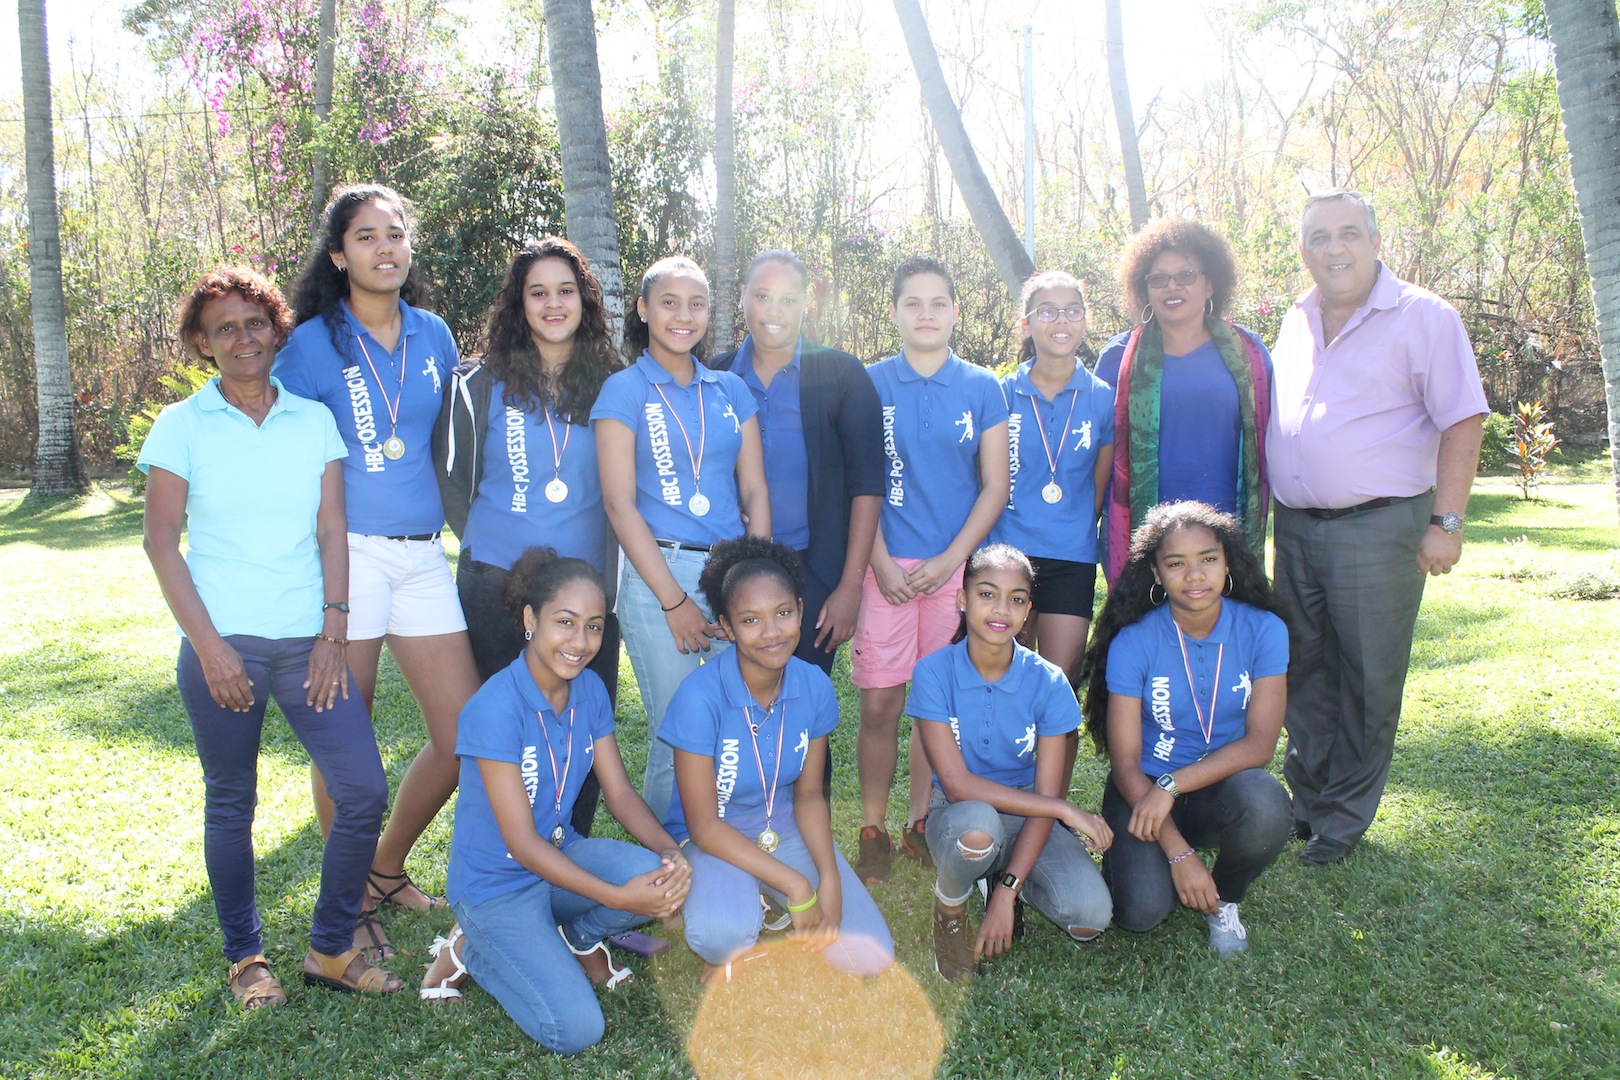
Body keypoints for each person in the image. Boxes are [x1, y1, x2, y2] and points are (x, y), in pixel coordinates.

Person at [140, 267, 401, 1004]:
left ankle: (328, 948)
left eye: (256, 323)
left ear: (276, 329)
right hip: (223, 648)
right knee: (231, 801)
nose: (244, 337)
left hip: (308, 646)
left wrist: (333, 632)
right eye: (226, 328)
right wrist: (212, 647)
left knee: (361, 790)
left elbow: (331, 528)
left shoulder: (311, 419)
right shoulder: (181, 426)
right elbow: (162, 544)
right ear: (203, 343)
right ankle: (247, 960)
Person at [276, 183, 481, 954]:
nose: (385, 248)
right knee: (347, 741)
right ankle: (349, 897)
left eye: (395, 234)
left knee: (463, 735)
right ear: (339, 255)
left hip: (423, 556)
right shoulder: (309, 345)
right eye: (366, 237)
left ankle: (386, 868)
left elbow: (446, 445)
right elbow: (288, 454)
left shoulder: (433, 334)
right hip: (348, 557)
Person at [1268, 190, 1488, 865]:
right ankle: (1305, 802)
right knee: (1303, 668)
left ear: (1374, 239)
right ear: (1303, 248)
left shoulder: (1424, 317)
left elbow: (1463, 419)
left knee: (1366, 675)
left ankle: (1343, 820)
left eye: (1348, 233)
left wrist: (1446, 523)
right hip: (1297, 527)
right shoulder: (1296, 317)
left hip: (1378, 528)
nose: (1333, 248)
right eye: (1318, 236)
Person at [416, 549, 690, 1054]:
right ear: (530, 619)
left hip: (559, 856)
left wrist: (673, 853)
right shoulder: (493, 708)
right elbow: (520, 844)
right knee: (576, 1030)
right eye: (564, 623)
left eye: (593, 627)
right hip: (496, 887)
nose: (580, 643)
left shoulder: (589, 689)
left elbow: (621, 794)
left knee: (654, 870)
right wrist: (620, 898)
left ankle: (577, 938)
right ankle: (471, 949)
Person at [435, 237, 622, 837]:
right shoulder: (478, 383)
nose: (552, 303)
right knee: (508, 734)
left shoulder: (615, 384)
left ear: (584, 300)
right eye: (537, 292)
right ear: (519, 304)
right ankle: (503, 868)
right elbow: (454, 484)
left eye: (565, 291)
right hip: (498, 586)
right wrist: (506, 549)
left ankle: (573, 865)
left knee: (586, 733)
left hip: (589, 593)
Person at [661, 538, 894, 984]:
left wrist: (827, 876)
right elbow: (704, 827)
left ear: (801, 611)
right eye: (750, 620)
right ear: (726, 626)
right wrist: (798, 886)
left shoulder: (814, 686)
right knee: (720, 937)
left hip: (782, 827)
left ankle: (769, 902)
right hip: (716, 840)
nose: (771, 632)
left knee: (871, 957)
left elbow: (808, 796)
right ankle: (754, 908)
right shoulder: (698, 699)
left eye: (783, 613)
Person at [592, 257, 771, 820]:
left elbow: (756, 493)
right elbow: (619, 504)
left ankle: (730, 842)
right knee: (677, 731)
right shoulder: (623, 391)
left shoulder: (731, 390)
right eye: (668, 302)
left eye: (696, 303)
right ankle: (672, 859)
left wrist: (749, 583)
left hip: (729, 573)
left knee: (737, 719)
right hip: (655, 580)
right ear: (644, 309)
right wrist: (674, 601)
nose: (683, 315)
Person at [853, 256, 1010, 884]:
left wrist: (953, 561)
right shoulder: (866, 383)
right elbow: (854, 485)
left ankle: (919, 822)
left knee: (933, 703)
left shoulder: (981, 387)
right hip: (882, 567)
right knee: (881, 701)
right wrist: (880, 560)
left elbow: (994, 486)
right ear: (893, 312)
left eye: (938, 302)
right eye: (912, 302)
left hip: (956, 568)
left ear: (954, 312)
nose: (925, 313)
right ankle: (871, 828)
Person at [1080, 501, 1292, 955]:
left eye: (1208, 560)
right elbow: (1125, 765)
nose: (1194, 575)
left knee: (1267, 804)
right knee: (1141, 914)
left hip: (1220, 786)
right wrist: (1178, 853)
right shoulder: (1134, 641)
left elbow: (1260, 745)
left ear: (1227, 563)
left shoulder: (1265, 630)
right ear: (1156, 574)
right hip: (1142, 790)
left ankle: (1226, 900)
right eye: (1176, 564)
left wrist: (1174, 785)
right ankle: (1144, 860)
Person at [908, 544, 1113, 982]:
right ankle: (950, 907)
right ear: (962, 601)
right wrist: (1061, 808)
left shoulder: (1049, 680)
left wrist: (1007, 893)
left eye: (1016, 599)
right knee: (980, 830)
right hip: (961, 813)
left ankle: (998, 879)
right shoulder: (933, 672)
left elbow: (1042, 794)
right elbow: (958, 784)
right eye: (987, 594)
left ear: (1028, 612)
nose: (1001, 609)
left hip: (1027, 811)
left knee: (1088, 916)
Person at [708, 250, 883, 676]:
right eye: (762, 295)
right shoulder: (715, 374)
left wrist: (849, 587)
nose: (774, 311)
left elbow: (868, 486)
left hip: (814, 570)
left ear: (807, 304)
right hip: (732, 564)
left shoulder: (842, 375)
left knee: (804, 700)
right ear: (744, 299)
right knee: (735, 697)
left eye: (788, 299)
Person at [1094, 219, 1272, 582]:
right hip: (1143, 533)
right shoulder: (1118, 357)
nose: (1171, 287)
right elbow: (1098, 453)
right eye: (1158, 278)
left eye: (1186, 275)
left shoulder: (1249, 353)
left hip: (1227, 529)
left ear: (1210, 284)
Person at [992, 269, 1115, 691]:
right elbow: (985, 479)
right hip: (1007, 555)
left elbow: (1098, 488)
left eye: (1072, 311)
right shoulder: (1000, 394)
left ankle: (1051, 762)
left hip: (1070, 557)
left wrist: (1068, 526)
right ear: (1025, 322)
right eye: (1047, 311)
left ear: (1084, 320)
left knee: (1061, 685)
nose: (1061, 321)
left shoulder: (1103, 398)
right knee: (1006, 681)